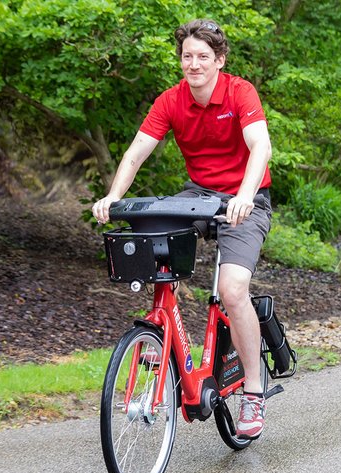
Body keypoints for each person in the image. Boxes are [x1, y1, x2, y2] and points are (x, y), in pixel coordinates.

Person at [92, 19, 272, 440]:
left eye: (203, 57)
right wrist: (112, 197)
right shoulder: (172, 100)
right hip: (198, 196)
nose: (194, 64)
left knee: (233, 290)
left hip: (246, 198)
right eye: (187, 56)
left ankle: (253, 391)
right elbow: (136, 152)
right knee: (151, 241)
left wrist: (245, 195)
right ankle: (164, 338)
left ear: (219, 60)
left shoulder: (240, 92)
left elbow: (260, 146)